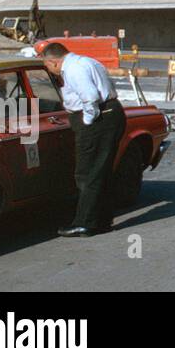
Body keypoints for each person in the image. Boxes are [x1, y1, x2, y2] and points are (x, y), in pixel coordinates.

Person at [41, 41, 126, 237]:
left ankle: (84, 223)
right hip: (110, 113)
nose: (50, 70)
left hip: (98, 118)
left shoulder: (73, 70)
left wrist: (87, 121)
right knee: (101, 170)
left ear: (54, 62)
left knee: (87, 172)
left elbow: (90, 97)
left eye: (47, 66)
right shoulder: (86, 62)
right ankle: (101, 220)